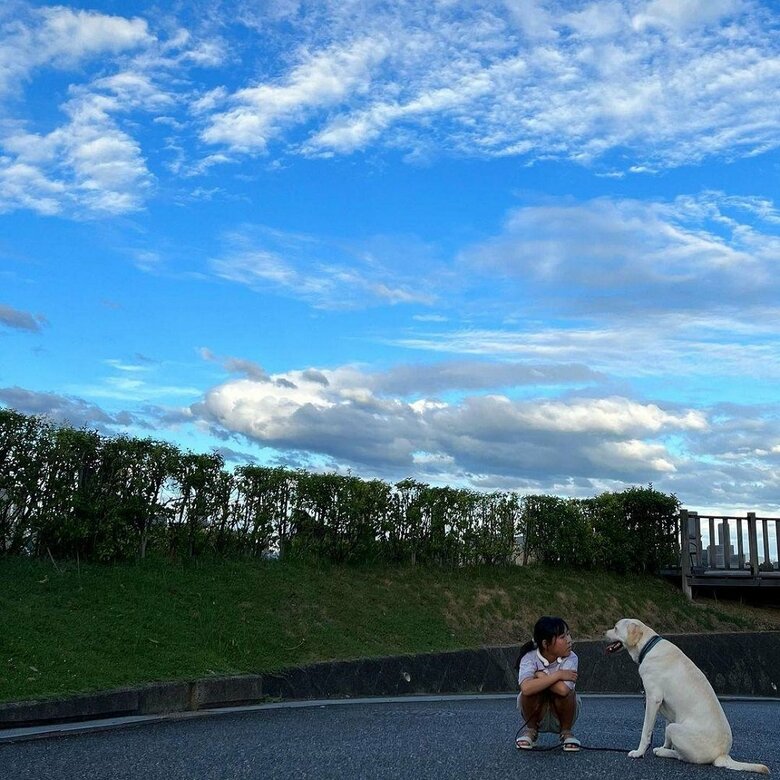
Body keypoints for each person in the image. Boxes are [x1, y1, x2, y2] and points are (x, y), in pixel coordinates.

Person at [514, 615, 581, 752]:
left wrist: (541, 675)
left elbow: (563, 690)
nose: (569, 640)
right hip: (538, 712)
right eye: (563, 637)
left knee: (569, 692)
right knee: (530, 691)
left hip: (562, 713)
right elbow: (526, 688)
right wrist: (558, 675)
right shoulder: (529, 657)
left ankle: (566, 732)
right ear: (545, 644)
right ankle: (531, 731)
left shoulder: (571, 657)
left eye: (568, 635)